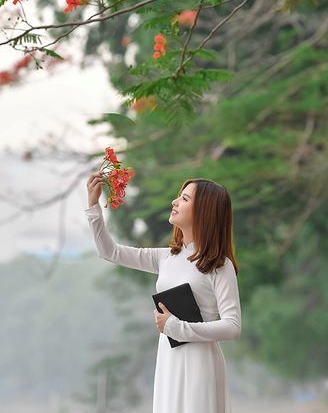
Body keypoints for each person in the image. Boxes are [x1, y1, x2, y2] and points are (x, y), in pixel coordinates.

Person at [85, 172, 242, 413]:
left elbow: (232, 327)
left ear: (204, 211)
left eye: (185, 199)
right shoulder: (167, 257)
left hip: (200, 363)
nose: (174, 202)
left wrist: (176, 327)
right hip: (169, 358)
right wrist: (93, 205)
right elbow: (110, 252)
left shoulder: (219, 265)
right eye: (179, 197)